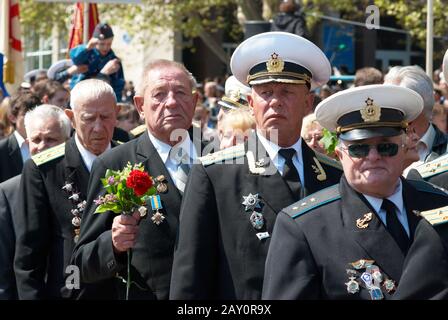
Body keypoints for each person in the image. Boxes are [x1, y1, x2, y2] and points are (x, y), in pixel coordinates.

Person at [169, 31, 343, 300]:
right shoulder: (216, 173)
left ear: (308, 102)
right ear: (251, 103)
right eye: (265, 93)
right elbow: (190, 275)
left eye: (286, 91)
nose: (275, 101)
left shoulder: (334, 174)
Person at [262, 84, 448, 300]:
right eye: (358, 148)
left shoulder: (439, 205)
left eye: (386, 147)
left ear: (405, 147)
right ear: (340, 155)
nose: (373, 156)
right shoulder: (304, 226)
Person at [71, 59, 201, 300]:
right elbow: (82, 262)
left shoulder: (220, 154)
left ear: (194, 102)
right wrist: (113, 244)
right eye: (159, 94)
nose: (171, 102)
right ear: (141, 106)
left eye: (180, 93)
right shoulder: (115, 164)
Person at [14, 79, 120, 299]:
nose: (98, 127)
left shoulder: (132, 158)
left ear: (116, 113)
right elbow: (29, 256)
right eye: (89, 118)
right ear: (71, 118)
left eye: (106, 117)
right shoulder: (44, 169)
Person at [0, 104, 71, 300]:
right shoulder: (7, 192)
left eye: (51, 139)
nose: (42, 146)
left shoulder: (77, 185)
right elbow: (4, 266)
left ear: (68, 141)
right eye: (36, 140)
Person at [384, 66, 447, 168]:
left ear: (421, 107)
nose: (385, 113)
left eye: (397, 107)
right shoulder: (376, 149)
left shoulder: (445, 152)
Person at [69, 22, 125, 101]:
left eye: (109, 44)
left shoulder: (113, 61)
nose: (105, 47)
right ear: (94, 41)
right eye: (102, 44)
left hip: (102, 98)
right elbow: (75, 58)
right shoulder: (86, 53)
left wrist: (116, 102)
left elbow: (118, 84)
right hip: (80, 95)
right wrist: (87, 48)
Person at [0, 92, 40, 183]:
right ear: (12, 118)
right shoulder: (3, 149)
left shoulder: (49, 142)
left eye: (37, 114)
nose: (33, 119)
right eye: (26, 114)